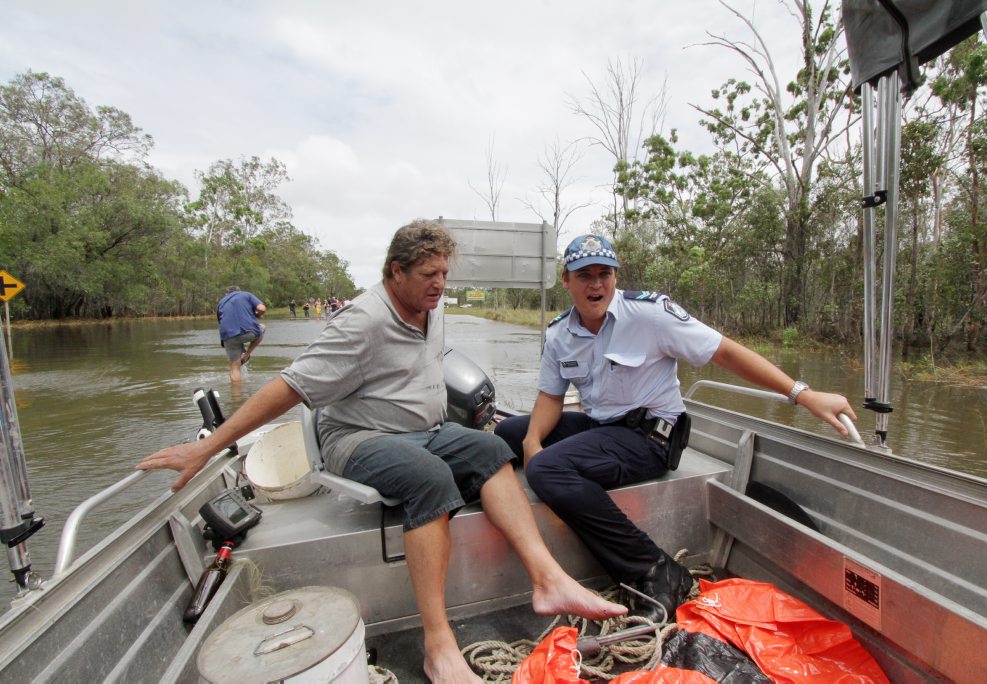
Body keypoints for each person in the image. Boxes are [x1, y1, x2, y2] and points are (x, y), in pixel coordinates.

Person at [139, 220, 624, 684]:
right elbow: (288, 387)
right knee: (430, 477)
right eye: (428, 275)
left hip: (425, 429)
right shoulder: (362, 322)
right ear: (395, 270)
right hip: (359, 438)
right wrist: (208, 448)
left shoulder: (432, 307)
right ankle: (439, 646)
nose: (440, 285)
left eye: (445, 274)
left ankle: (547, 580)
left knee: (490, 447)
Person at [495, 234, 857, 622]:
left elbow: (726, 352)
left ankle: (655, 570)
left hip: (650, 437)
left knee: (547, 469)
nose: (596, 284)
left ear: (616, 277)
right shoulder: (559, 333)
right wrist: (533, 441)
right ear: (565, 281)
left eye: (605, 274)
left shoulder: (651, 314)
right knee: (509, 435)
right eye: (584, 275)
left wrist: (802, 393)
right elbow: (551, 396)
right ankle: (551, 482)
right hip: (601, 427)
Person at [217, 286, 266, 383]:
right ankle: (246, 355)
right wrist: (257, 315)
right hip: (249, 332)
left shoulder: (221, 302)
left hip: (227, 336)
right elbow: (262, 308)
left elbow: (221, 321)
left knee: (234, 367)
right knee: (263, 327)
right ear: (238, 291)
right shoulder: (245, 294)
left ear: (227, 294)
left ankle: (236, 396)